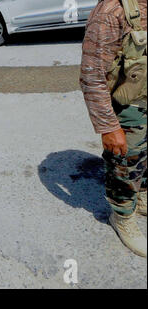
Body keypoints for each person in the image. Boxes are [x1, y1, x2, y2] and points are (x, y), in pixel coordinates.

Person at [80, 0, 147, 257]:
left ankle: (141, 198)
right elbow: (92, 75)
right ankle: (122, 216)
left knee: (145, 159)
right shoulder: (111, 11)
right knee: (126, 163)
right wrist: (108, 126)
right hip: (127, 107)